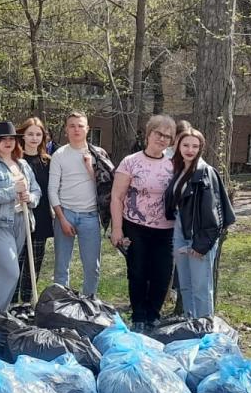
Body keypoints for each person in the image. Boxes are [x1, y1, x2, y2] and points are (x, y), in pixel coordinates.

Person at [111, 114, 177, 329]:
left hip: (166, 229)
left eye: (168, 136)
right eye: (159, 134)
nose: (162, 139)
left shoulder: (175, 164)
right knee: (138, 272)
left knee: (162, 273)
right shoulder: (131, 162)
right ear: (149, 134)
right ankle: (139, 316)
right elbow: (117, 197)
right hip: (135, 226)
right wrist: (117, 229)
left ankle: (153, 314)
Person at [164, 128, 235, 318]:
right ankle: (190, 326)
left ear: (201, 148)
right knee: (185, 286)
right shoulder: (179, 170)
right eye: (186, 145)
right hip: (180, 232)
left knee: (201, 288)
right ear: (178, 146)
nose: (190, 150)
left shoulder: (205, 173)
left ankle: (204, 330)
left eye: (195, 146)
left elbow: (214, 213)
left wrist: (201, 244)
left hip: (198, 236)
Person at [0, 122, 42, 312]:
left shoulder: (22, 164)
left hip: (21, 221)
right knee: (10, 272)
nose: (8, 142)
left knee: (1, 274)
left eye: (11, 138)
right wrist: (13, 191)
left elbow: (36, 191)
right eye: (3, 139)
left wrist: (31, 198)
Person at [49, 112, 103, 297]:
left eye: (80, 125)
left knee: (92, 267)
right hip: (66, 214)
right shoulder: (59, 155)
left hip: (90, 216)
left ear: (87, 129)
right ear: (66, 130)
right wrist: (62, 218)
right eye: (72, 126)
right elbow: (52, 190)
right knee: (61, 268)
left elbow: (106, 187)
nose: (76, 129)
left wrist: (90, 168)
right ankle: (61, 307)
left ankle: (89, 304)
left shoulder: (98, 154)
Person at [13, 117, 54, 304]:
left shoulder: (48, 161)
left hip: (41, 218)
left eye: (38, 134)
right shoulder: (15, 162)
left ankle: (27, 302)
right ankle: (12, 302)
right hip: (19, 219)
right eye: (30, 134)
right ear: (22, 135)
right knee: (16, 263)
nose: (34, 138)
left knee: (33, 264)